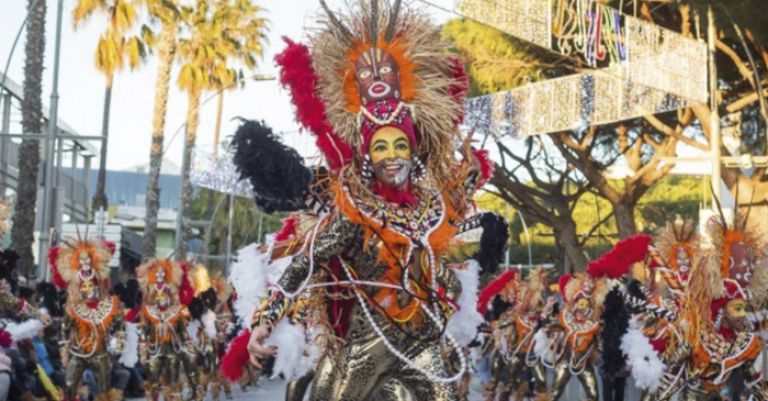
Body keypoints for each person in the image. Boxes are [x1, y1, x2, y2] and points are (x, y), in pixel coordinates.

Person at [235, 1, 496, 399]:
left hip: (422, 344)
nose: (392, 155)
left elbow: (447, 278)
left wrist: (443, 290)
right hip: (367, 349)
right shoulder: (354, 213)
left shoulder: (432, 211)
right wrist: (262, 325)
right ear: (368, 158)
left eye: (399, 145)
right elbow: (302, 268)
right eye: (381, 148)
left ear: (412, 150)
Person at [49, 238, 124, 401]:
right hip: (78, 353)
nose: (88, 289)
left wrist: (118, 344)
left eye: (91, 285)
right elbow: (64, 328)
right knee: (68, 385)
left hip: (101, 354)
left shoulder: (109, 305)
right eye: (84, 286)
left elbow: (119, 327)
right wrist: (63, 352)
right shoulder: (73, 307)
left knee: (104, 391)